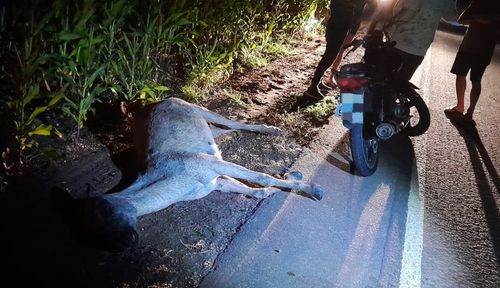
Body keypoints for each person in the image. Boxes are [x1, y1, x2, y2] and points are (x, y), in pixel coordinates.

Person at [292, 0, 369, 110]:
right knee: (330, 55)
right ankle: (313, 87)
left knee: (331, 53)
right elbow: (359, 8)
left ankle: (317, 83)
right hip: (342, 22)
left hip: (336, 20)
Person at [445, 1, 500, 123]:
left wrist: (477, 19)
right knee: (469, 77)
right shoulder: (478, 3)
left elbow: (463, 20)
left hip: (474, 48)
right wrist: (482, 19)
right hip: (477, 48)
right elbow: (461, 20)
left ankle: (466, 110)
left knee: (472, 78)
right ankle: (464, 109)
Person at [383, 0, 457, 81]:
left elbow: (397, 9)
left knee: (384, 78)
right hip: (418, 48)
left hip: (397, 41)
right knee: (401, 83)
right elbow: (450, 16)